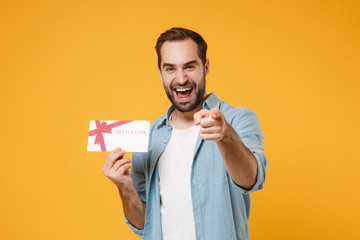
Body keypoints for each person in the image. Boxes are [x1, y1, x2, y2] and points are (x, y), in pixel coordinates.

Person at [103, 27, 268, 240]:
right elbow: (144, 224)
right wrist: (124, 187)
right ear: (160, 72)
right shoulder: (150, 136)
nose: (181, 79)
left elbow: (252, 180)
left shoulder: (238, 119)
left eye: (189, 66)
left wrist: (225, 136)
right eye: (170, 69)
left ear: (206, 67)